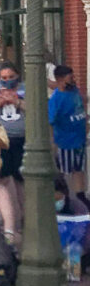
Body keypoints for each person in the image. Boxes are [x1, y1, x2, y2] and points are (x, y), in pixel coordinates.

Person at [0, 60, 26, 247]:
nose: (8, 81)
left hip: (22, 139)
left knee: (21, 182)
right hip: (2, 140)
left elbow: (38, 110)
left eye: (11, 77)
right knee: (3, 180)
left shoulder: (26, 88)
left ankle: (23, 223)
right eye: (4, 78)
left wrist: (17, 101)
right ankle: (11, 225)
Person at [49, 64, 88, 202]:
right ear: (60, 80)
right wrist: (54, 141)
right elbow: (51, 120)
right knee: (66, 171)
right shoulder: (56, 99)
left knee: (79, 169)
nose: (73, 80)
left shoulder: (74, 91)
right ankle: (66, 197)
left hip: (80, 138)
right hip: (65, 141)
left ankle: (80, 195)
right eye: (70, 78)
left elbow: (81, 105)